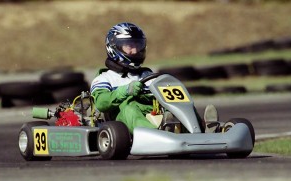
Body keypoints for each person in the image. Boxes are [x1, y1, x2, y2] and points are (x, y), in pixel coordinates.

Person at [90, 22, 218, 134]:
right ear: (114, 47)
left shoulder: (147, 75)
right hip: (121, 121)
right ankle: (159, 132)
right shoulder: (104, 78)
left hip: (152, 112)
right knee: (130, 106)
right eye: (129, 46)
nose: (135, 50)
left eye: (138, 45)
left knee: (175, 103)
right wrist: (125, 91)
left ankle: (201, 128)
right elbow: (101, 102)